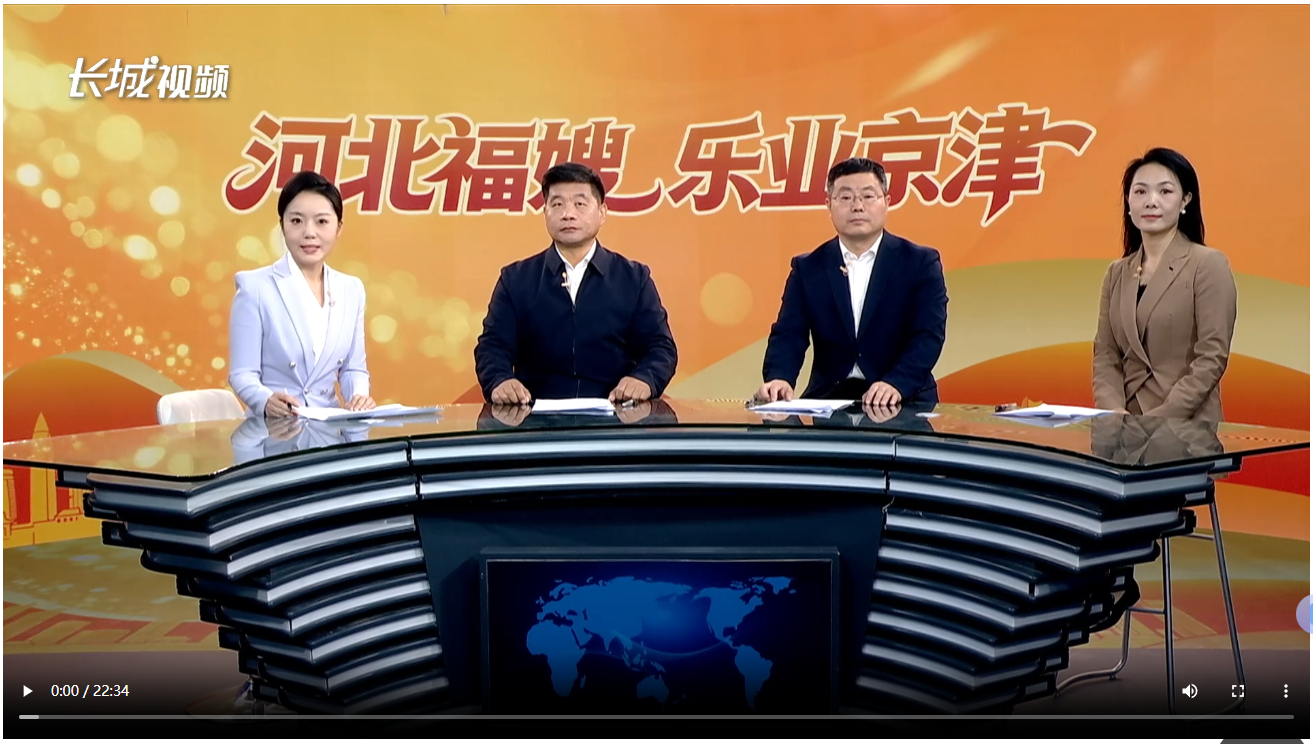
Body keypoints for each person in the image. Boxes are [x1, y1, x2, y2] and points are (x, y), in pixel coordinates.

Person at [474, 162, 678, 404]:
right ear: (545, 212)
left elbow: (660, 347)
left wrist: (644, 379)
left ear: (602, 212)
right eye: (557, 204)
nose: (568, 214)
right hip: (533, 415)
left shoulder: (634, 278)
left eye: (580, 204)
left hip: (616, 414)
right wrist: (500, 380)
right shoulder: (516, 279)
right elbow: (492, 346)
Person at [757, 157, 949, 407]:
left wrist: (896, 383)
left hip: (905, 398)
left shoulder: (920, 263)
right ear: (829, 204)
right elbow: (789, 334)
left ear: (887, 202)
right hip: (829, 400)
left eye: (868, 196)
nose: (857, 206)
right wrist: (780, 377)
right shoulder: (808, 268)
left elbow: (928, 334)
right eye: (846, 197)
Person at [1093, 148, 1237, 421]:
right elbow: (1106, 355)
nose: (1151, 201)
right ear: (1128, 201)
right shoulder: (1116, 273)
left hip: (1186, 427)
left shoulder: (1208, 264)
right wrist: (1114, 413)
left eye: (1165, 191)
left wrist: (1159, 419)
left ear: (1185, 200)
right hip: (1125, 429)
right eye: (1140, 191)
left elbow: (1211, 357)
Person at [228, 171, 375, 418]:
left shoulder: (351, 289)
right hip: (274, 429)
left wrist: (358, 398)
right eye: (296, 221)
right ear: (282, 226)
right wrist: (265, 401)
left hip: (330, 428)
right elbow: (242, 374)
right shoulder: (255, 287)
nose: (309, 233)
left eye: (321, 221)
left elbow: (353, 369)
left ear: (338, 227)